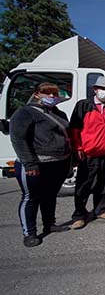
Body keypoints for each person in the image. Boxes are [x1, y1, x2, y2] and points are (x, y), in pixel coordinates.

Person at [10, 82, 71, 247]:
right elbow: (18, 139)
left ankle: (49, 224)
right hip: (36, 164)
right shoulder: (25, 112)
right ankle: (29, 233)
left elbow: (67, 138)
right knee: (30, 198)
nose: (52, 96)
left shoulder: (60, 114)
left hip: (58, 163)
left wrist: (69, 161)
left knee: (50, 196)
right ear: (37, 94)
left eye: (54, 93)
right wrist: (30, 164)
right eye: (47, 93)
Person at [69, 75, 105, 229]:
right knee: (84, 185)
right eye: (103, 89)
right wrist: (78, 148)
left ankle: (101, 209)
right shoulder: (83, 106)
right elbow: (74, 129)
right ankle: (79, 215)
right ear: (95, 89)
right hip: (89, 154)